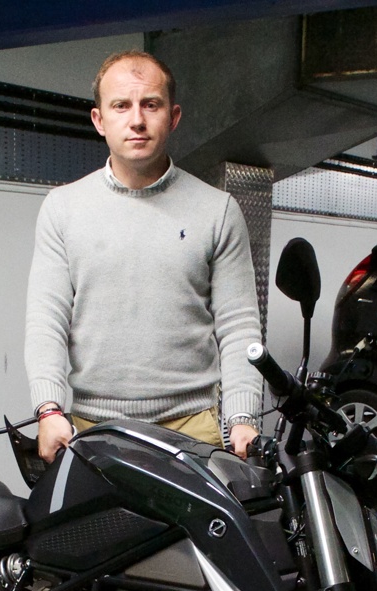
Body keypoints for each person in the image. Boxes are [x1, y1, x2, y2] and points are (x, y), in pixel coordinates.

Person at [24, 50, 264, 462]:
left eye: (149, 104)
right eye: (121, 105)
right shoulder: (62, 208)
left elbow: (239, 325)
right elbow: (47, 320)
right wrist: (48, 409)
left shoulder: (217, 210)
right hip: (89, 428)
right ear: (99, 120)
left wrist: (243, 415)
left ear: (172, 117)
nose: (136, 120)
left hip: (195, 429)